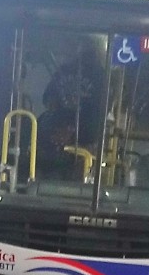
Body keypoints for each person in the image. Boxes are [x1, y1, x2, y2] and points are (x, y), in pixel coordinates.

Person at [37, 43, 103, 179]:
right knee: (39, 125)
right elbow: (49, 99)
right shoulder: (64, 70)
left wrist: (71, 132)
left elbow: (100, 109)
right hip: (56, 132)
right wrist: (59, 129)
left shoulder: (101, 76)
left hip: (85, 133)